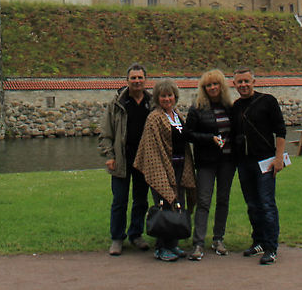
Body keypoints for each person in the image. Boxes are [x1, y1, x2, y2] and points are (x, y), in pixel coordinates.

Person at [133, 78, 196, 262]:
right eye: (163, 96)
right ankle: (161, 247)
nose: (167, 99)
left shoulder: (176, 114)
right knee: (164, 206)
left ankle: (173, 244)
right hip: (162, 167)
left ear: (175, 97)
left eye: (169, 95)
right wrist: (160, 172)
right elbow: (151, 148)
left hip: (179, 166)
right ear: (157, 98)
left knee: (177, 205)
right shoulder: (154, 117)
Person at [231, 67, 286, 265]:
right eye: (240, 82)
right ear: (234, 84)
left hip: (265, 160)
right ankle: (259, 241)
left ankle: (271, 246)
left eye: (247, 81)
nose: (243, 85)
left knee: (266, 203)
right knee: (252, 205)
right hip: (245, 162)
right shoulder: (236, 106)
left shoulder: (268, 101)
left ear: (254, 82)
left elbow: (280, 130)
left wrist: (278, 158)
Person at [99, 63, 153, 256]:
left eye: (140, 78)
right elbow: (106, 133)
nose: (137, 81)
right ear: (127, 80)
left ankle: (136, 234)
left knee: (140, 200)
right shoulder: (117, 104)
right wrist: (109, 155)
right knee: (119, 200)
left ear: (145, 80)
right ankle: (117, 238)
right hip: (122, 159)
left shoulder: (152, 103)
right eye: (133, 78)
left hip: (144, 161)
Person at [184, 69, 235, 260]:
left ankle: (218, 238)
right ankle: (198, 242)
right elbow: (187, 133)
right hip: (206, 162)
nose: (213, 88)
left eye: (215, 84)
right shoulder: (197, 108)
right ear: (203, 88)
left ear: (221, 86)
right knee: (203, 201)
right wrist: (209, 138)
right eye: (208, 85)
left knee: (223, 200)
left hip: (227, 161)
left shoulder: (229, 107)